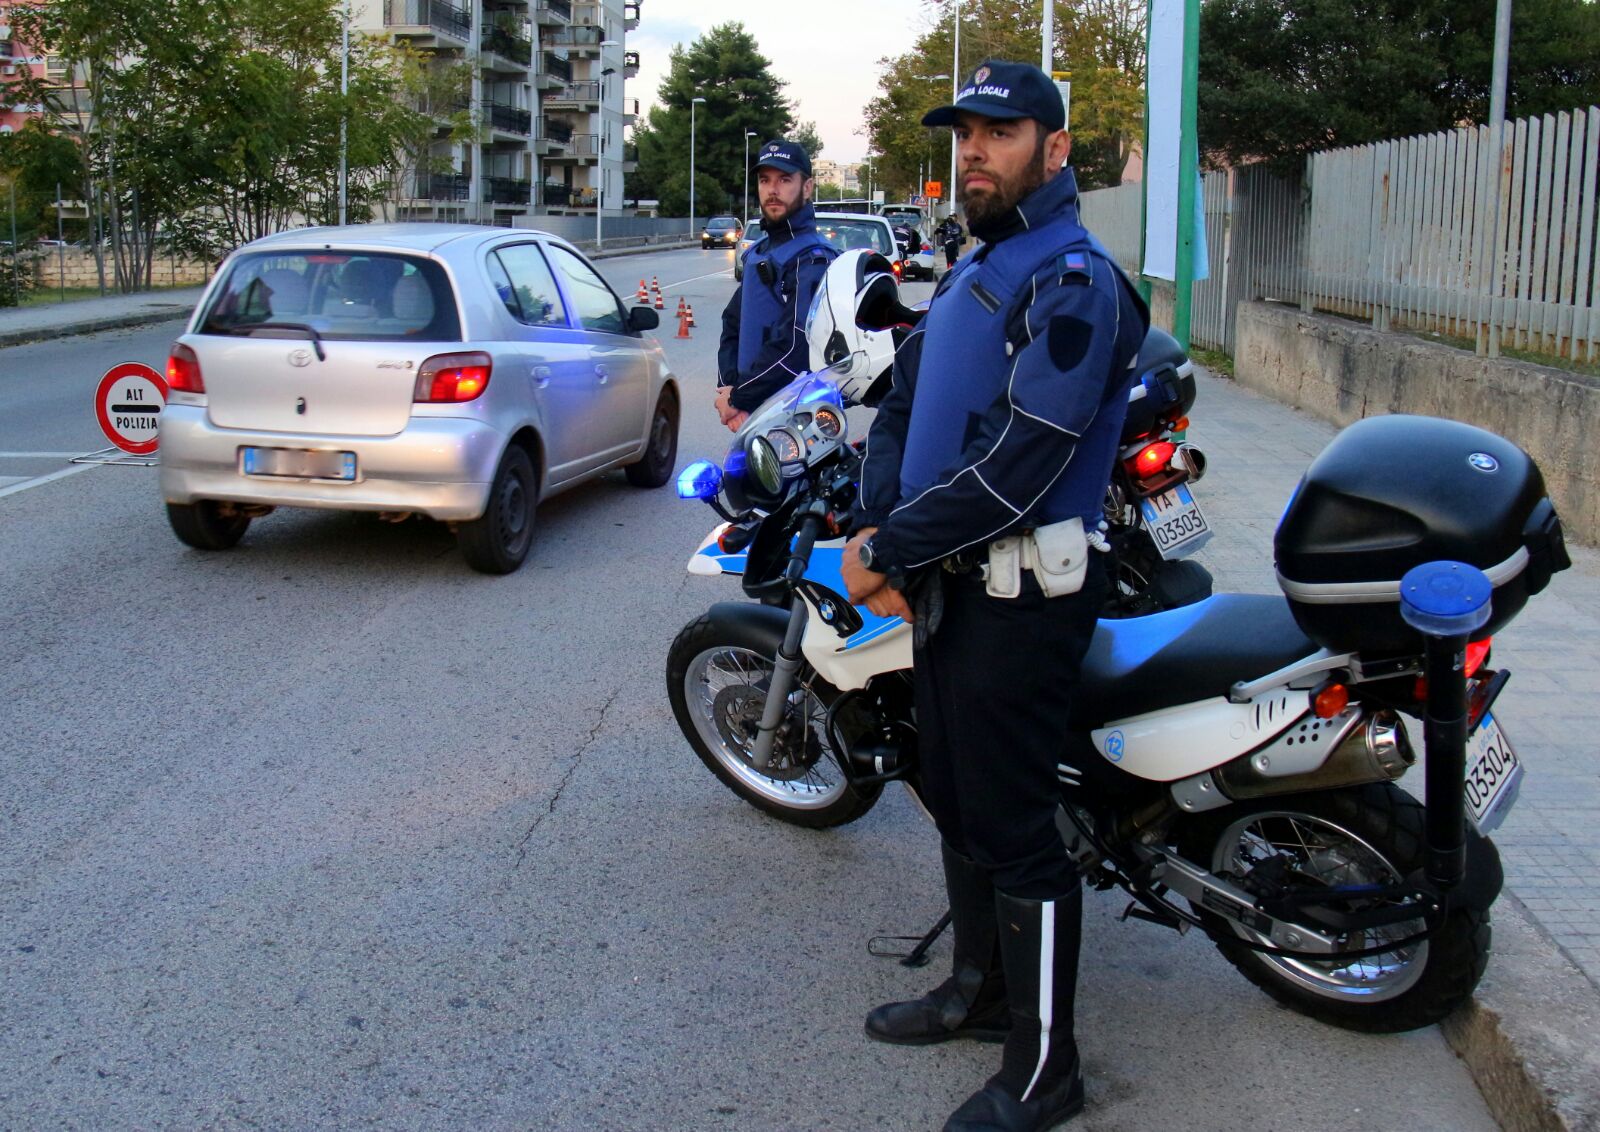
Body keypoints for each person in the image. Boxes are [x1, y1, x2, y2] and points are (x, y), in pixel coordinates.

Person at [837, 60, 1149, 1132]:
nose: (973, 150)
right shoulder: (983, 265)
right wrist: (876, 519)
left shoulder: (1072, 277)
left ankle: (1045, 1068)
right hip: (947, 588)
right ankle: (978, 992)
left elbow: (1023, 457)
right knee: (957, 796)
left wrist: (893, 547)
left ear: (1054, 152)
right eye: (964, 133)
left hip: (1023, 598)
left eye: (1000, 132)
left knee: (1017, 828)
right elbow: (904, 400)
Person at [715, 140, 838, 432]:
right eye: (765, 180)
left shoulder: (813, 259)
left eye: (784, 180)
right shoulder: (760, 252)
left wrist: (738, 398)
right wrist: (728, 389)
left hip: (798, 419)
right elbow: (732, 324)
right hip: (751, 412)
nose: (773, 190)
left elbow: (795, 344)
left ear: (807, 187)